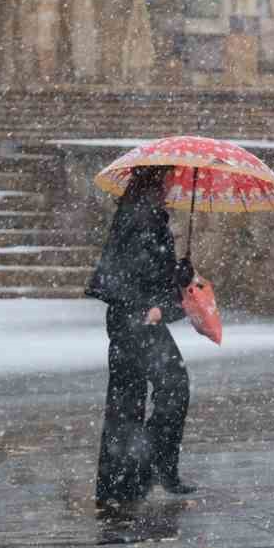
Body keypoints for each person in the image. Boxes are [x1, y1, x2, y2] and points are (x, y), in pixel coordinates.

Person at [86, 165, 197, 507]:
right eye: (168, 179)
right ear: (154, 182)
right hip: (138, 319)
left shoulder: (139, 214)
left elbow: (145, 270)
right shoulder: (143, 219)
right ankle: (153, 466)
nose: (172, 185)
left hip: (127, 318)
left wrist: (177, 274)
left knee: (126, 398)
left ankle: (120, 482)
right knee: (173, 385)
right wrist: (160, 306)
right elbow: (136, 273)